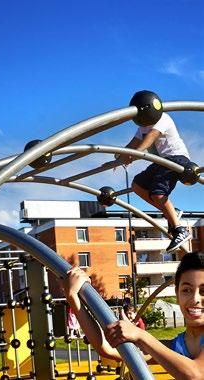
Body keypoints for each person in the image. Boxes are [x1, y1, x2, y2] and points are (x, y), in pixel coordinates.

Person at [64, 252, 204, 379]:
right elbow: (108, 348)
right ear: (177, 294)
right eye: (187, 290)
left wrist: (140, 335)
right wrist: (72, 297)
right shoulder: (177, 346)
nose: (195, 299)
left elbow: (195, 374)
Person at [117, 112, 191, 252]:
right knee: (137, 185)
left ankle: (180, 230)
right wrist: (117, 159)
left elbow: (150, 139)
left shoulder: (162, 118)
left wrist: (133, 156)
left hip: (176, 158)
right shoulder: (143, 127)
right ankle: (171, 212)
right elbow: (132, 144)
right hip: (160, 162)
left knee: (158, 193)